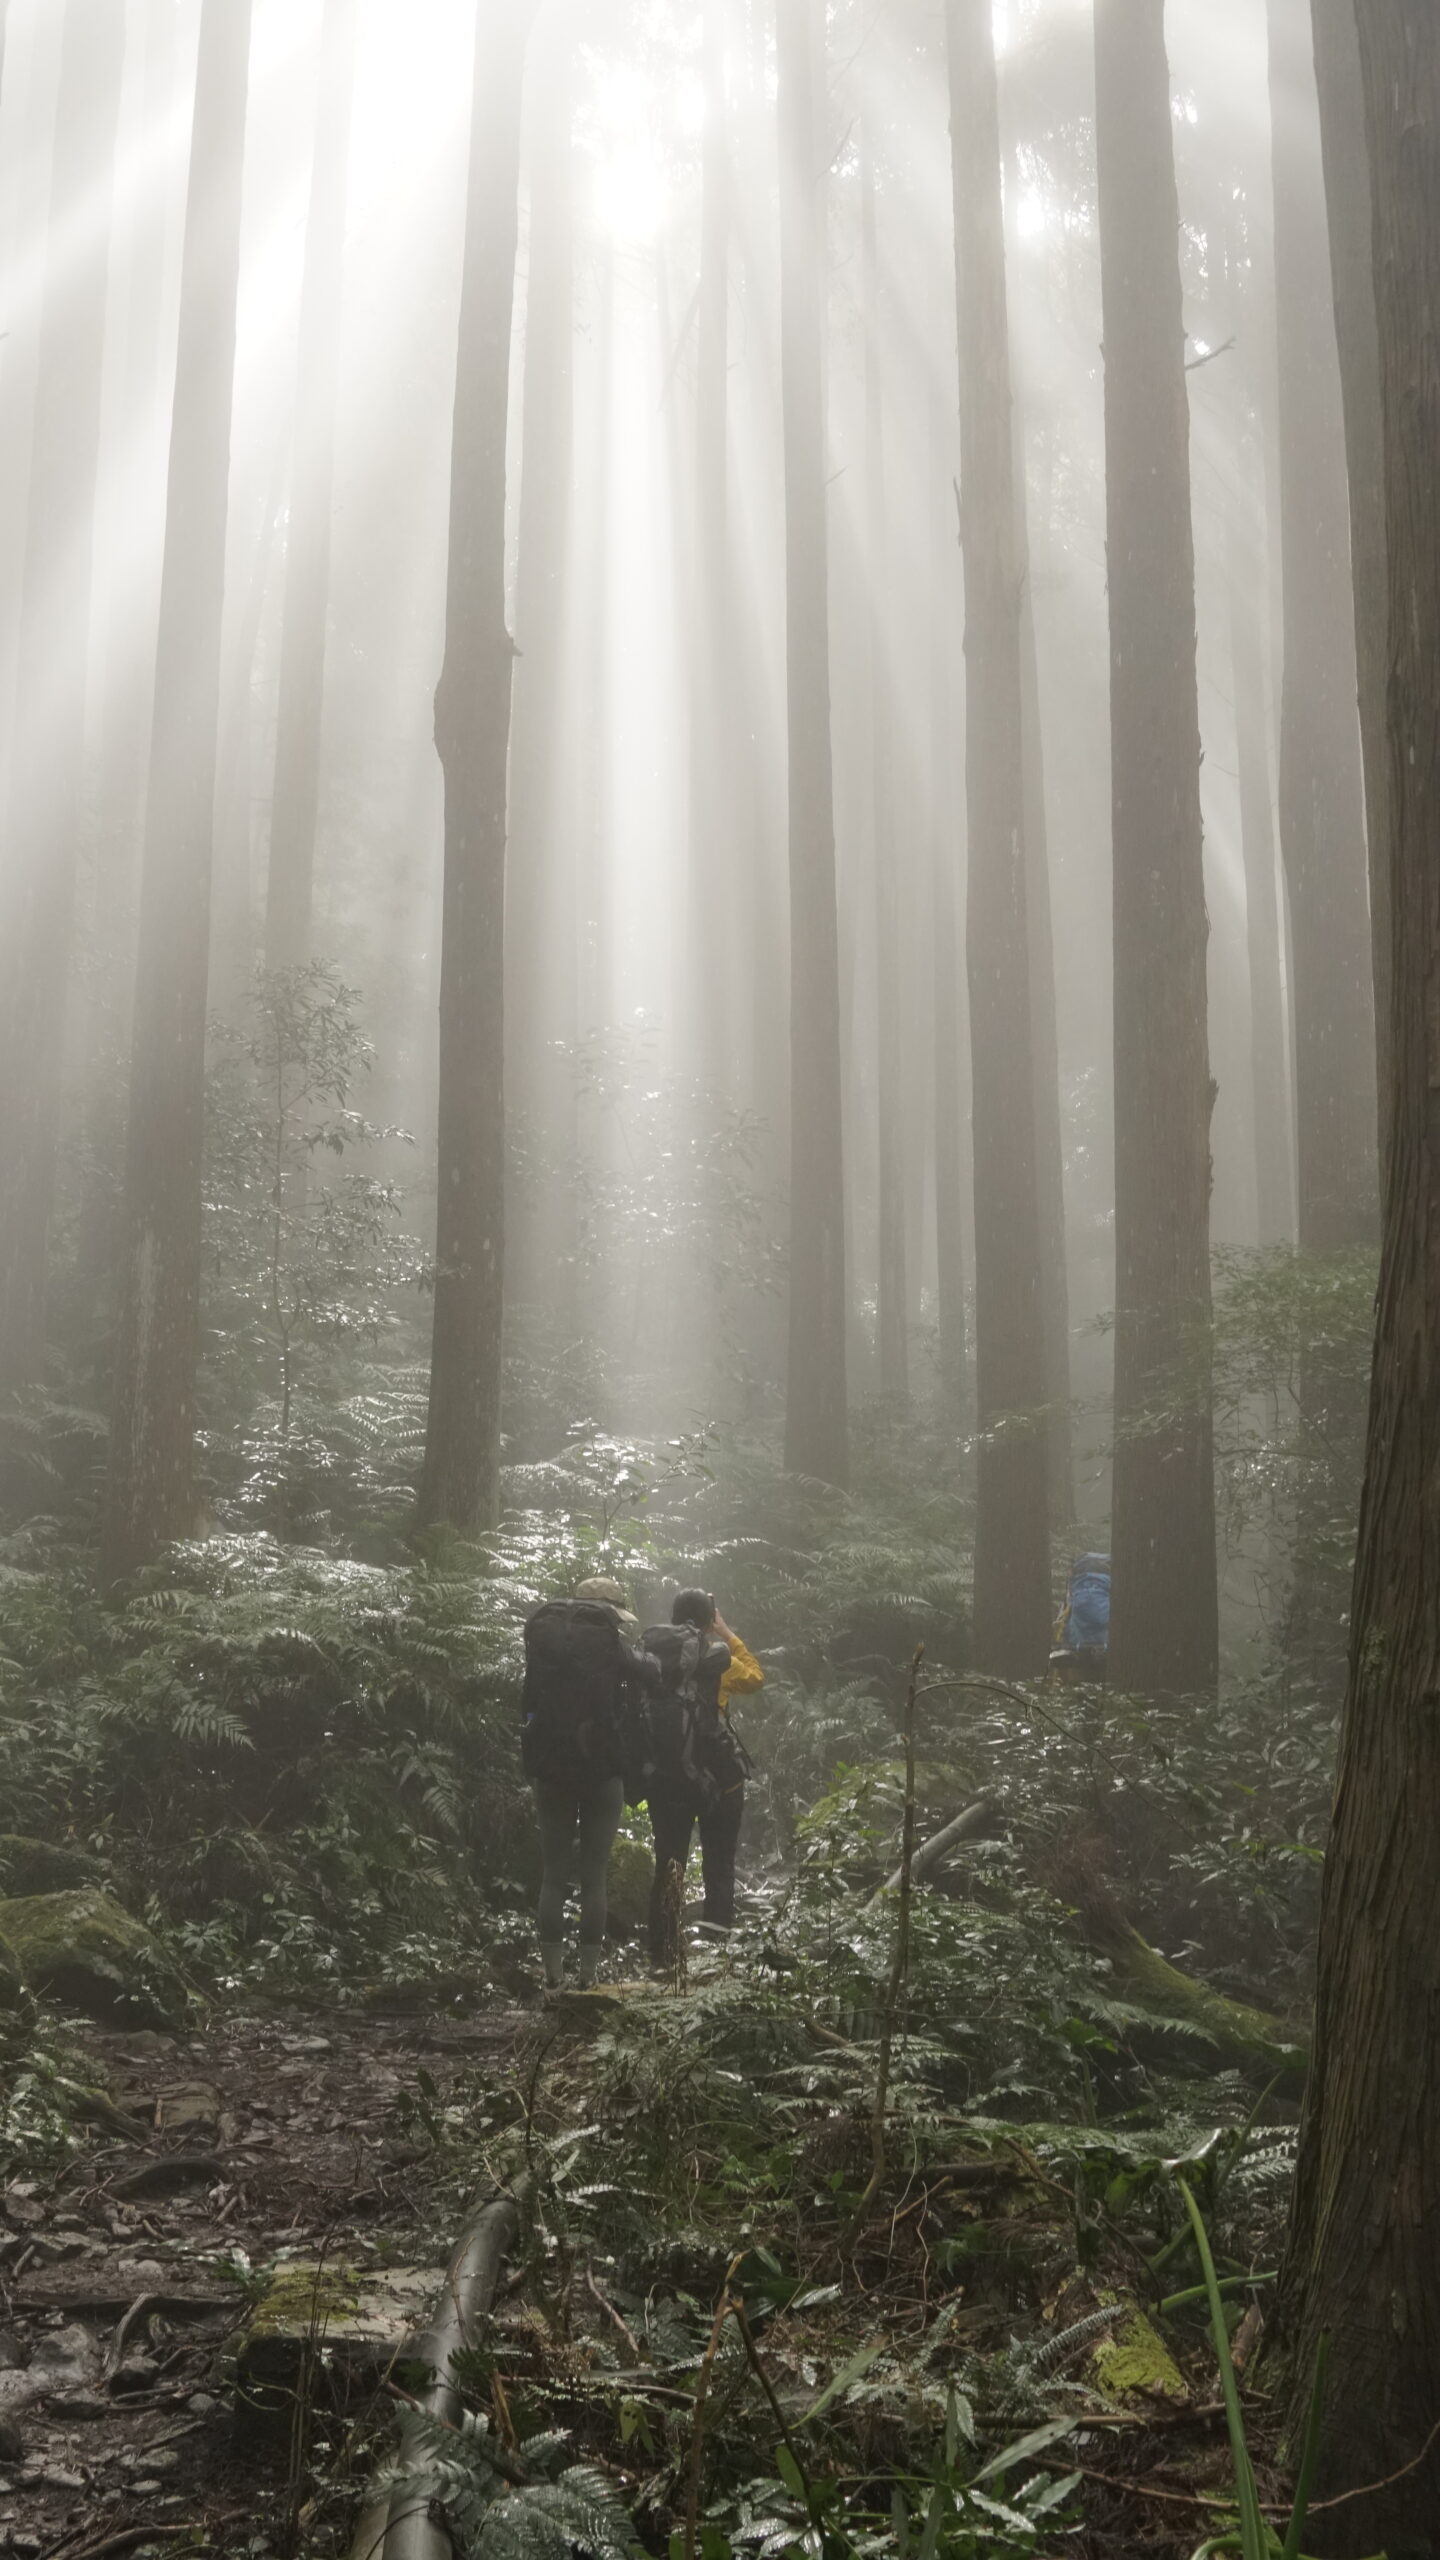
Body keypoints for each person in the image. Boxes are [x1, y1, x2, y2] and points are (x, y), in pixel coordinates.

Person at [521, 1575, 659, 1990]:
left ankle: (552, 1975)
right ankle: (587, 1977)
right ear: (611, 1611)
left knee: (554, 1873)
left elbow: (527, 1700)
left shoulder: (546, 1637)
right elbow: (648, 1677)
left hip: (549, 1768)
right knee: (594, 1874)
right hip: (602, 1769)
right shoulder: (610, 1644)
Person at [643, 1587, 764, 1967]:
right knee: (719, 1864)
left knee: (668, 1862)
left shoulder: (651, 1659)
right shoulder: (717, 1659)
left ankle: (662, 1956)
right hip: (718, 1779)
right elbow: (756, 1677)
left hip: (667, 1778)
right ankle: (714, 1956)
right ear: (708, 1621)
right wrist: (727, 1634)